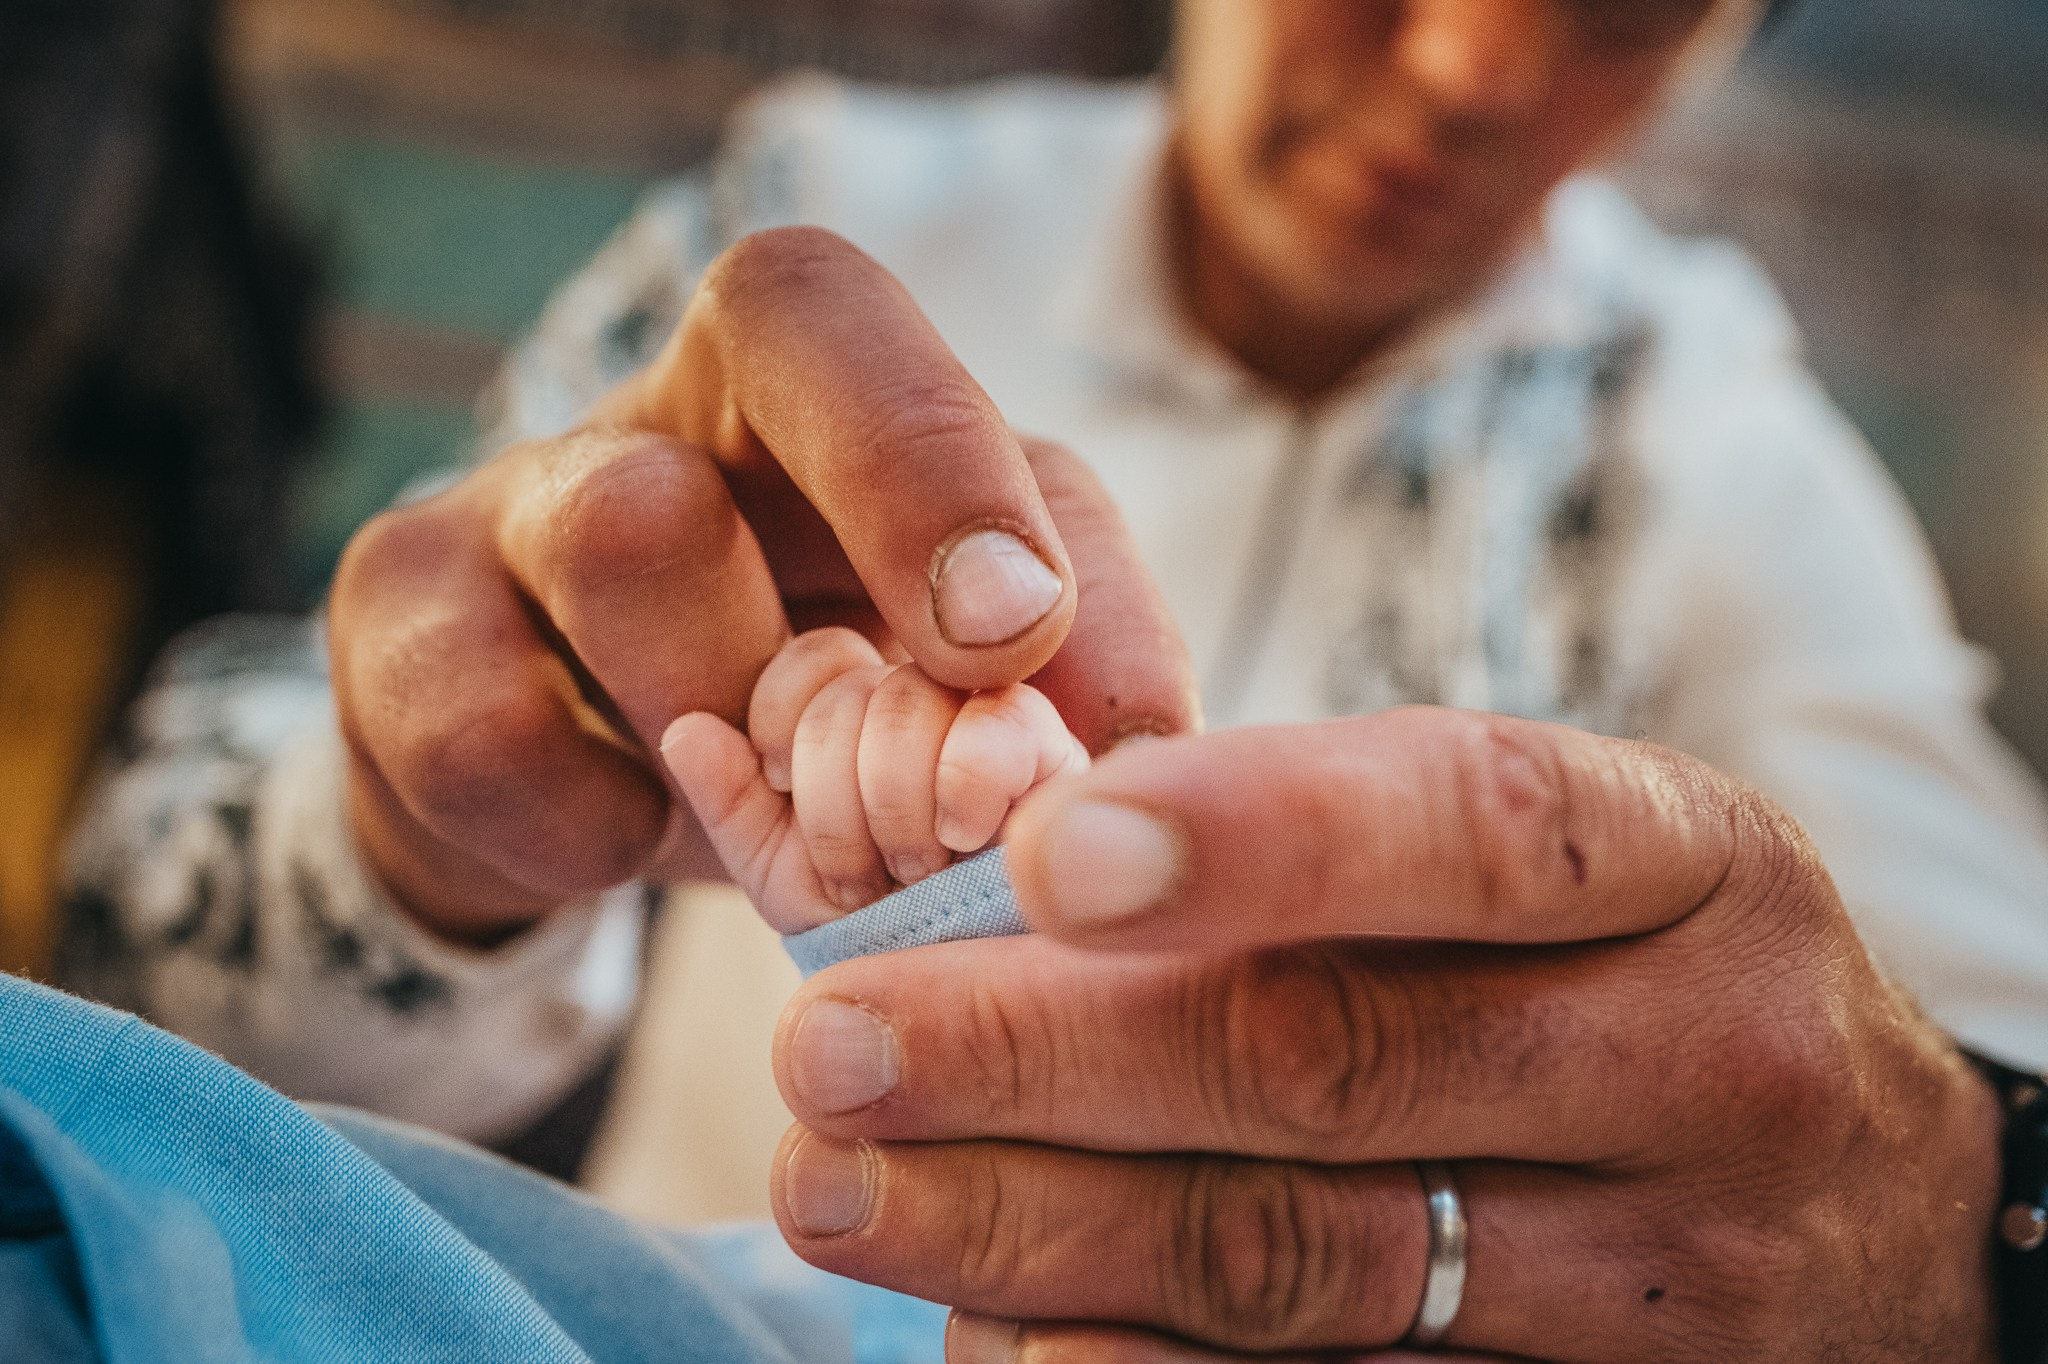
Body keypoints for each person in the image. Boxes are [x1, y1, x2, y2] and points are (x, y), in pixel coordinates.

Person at [45, 0, 2048, 1351]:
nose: (1465, 60)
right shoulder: (828, 205)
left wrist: (1952, 1194)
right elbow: (140, 946)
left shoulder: (1711, 449)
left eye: (1623, 2)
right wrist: (417, 836)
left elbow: (1988, 1036)